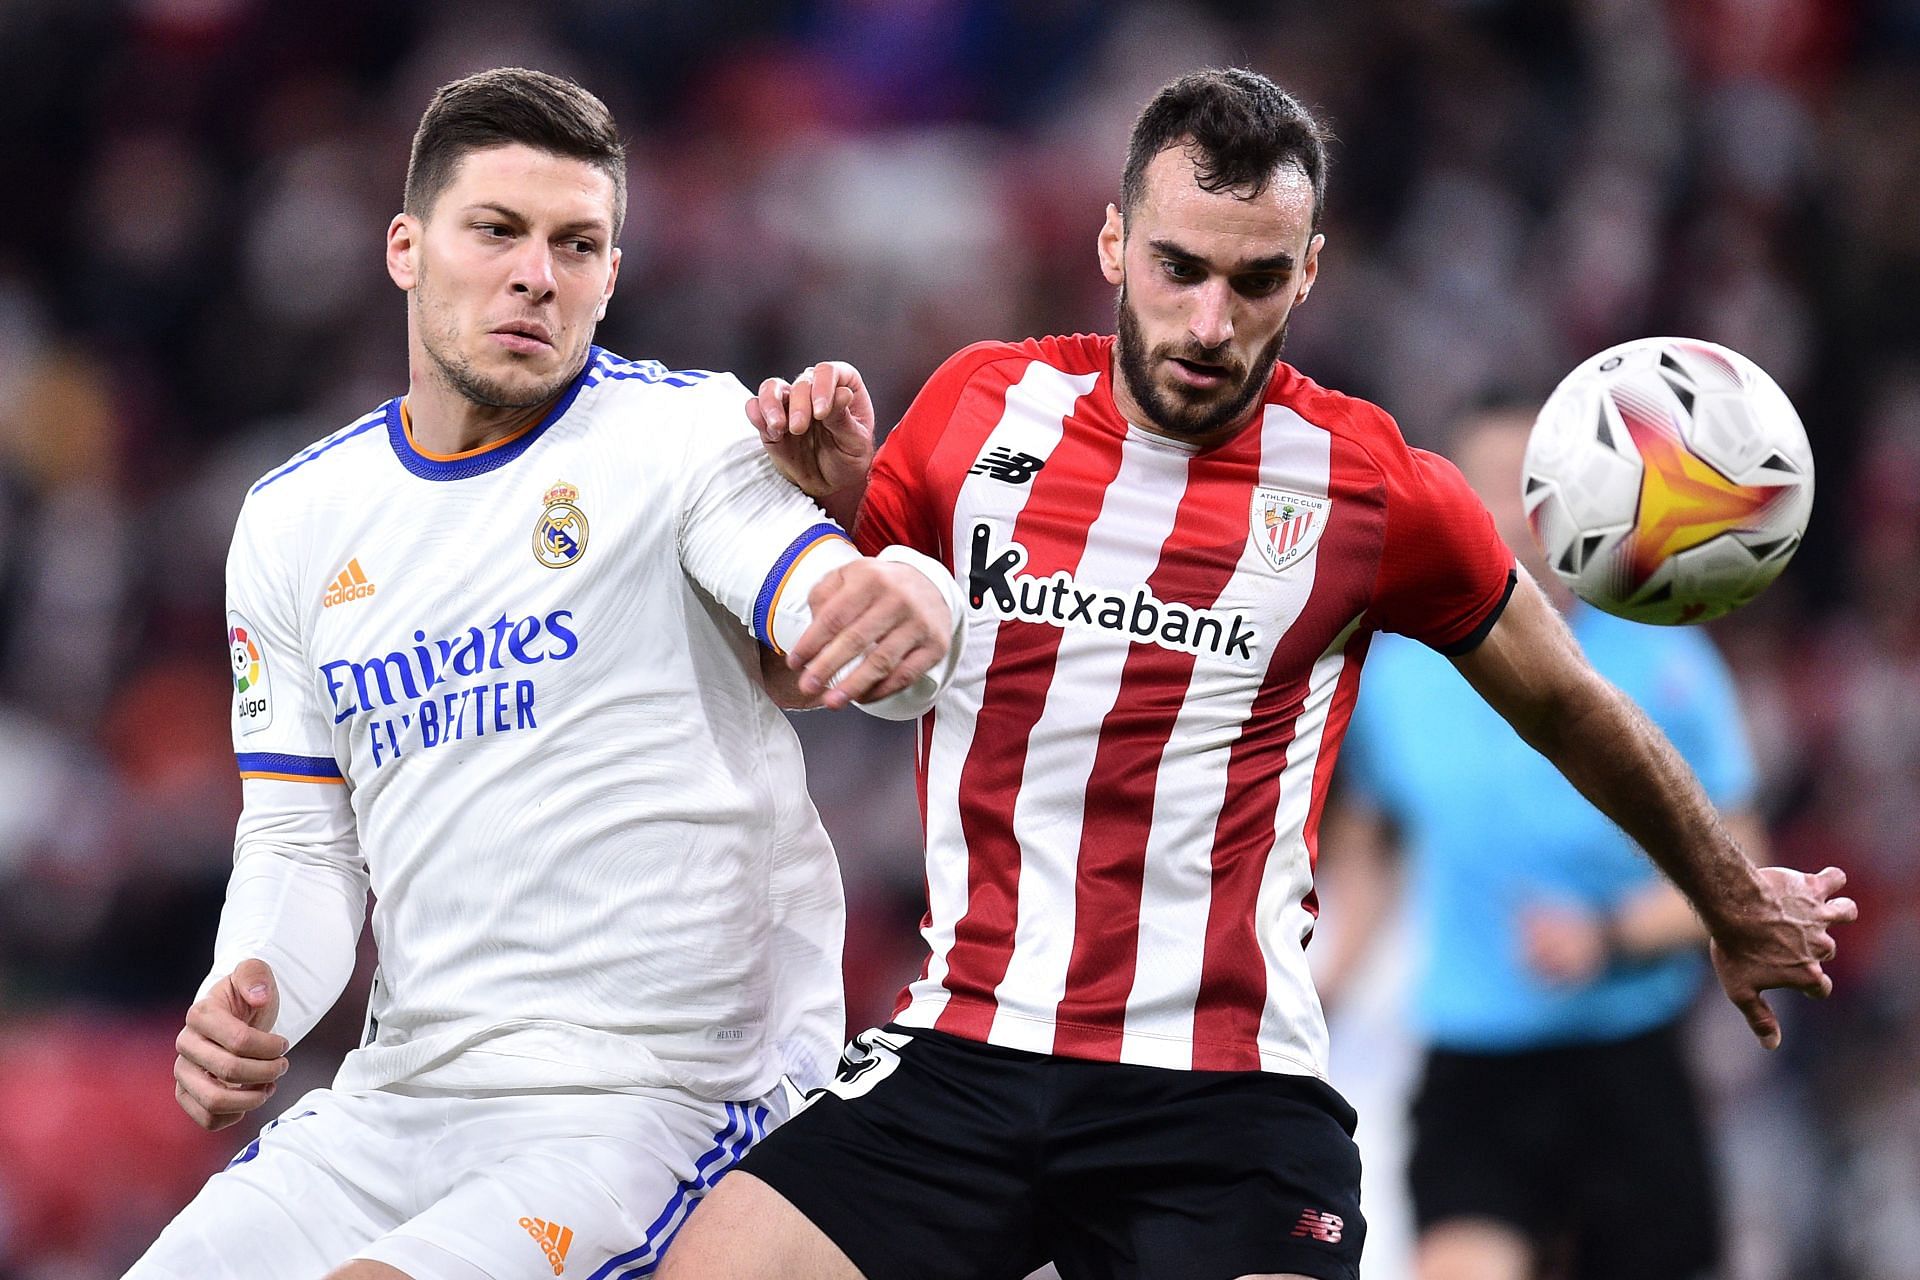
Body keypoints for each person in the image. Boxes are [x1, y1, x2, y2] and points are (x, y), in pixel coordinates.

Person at [657, 68, 1855, 1280]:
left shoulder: (1375, 489)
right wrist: (834, 502)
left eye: (1256, 279)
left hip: (1222, 1094)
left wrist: (1726, 892)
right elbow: (795, 672)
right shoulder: (980, 407)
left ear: (1311, 270)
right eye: (1180, 267)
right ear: (1115, 242)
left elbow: (1563, 698)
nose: (1209, 323)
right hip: (967, 1041)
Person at [127, 67, 965, 1280]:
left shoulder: (685, 439)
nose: (538, 272)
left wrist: (902, 607)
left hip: (658, 1094)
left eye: (578, 244)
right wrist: (250, 989)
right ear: (407, 248)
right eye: (498, 231)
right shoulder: (296, 519)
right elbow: (304, 846)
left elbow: (839, 627)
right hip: (403, 1091)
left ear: (611, 277)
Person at [1316, 404, 1763, 1280]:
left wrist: (1608, 937)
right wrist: (1317, 988)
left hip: (1628, 1057)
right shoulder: (1401, 678)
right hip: (1474, 1069)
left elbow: (1738, 877)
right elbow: (1367, 863)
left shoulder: (1665, 660)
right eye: (1491, 484)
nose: (1518, 510)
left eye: (1539, 485)